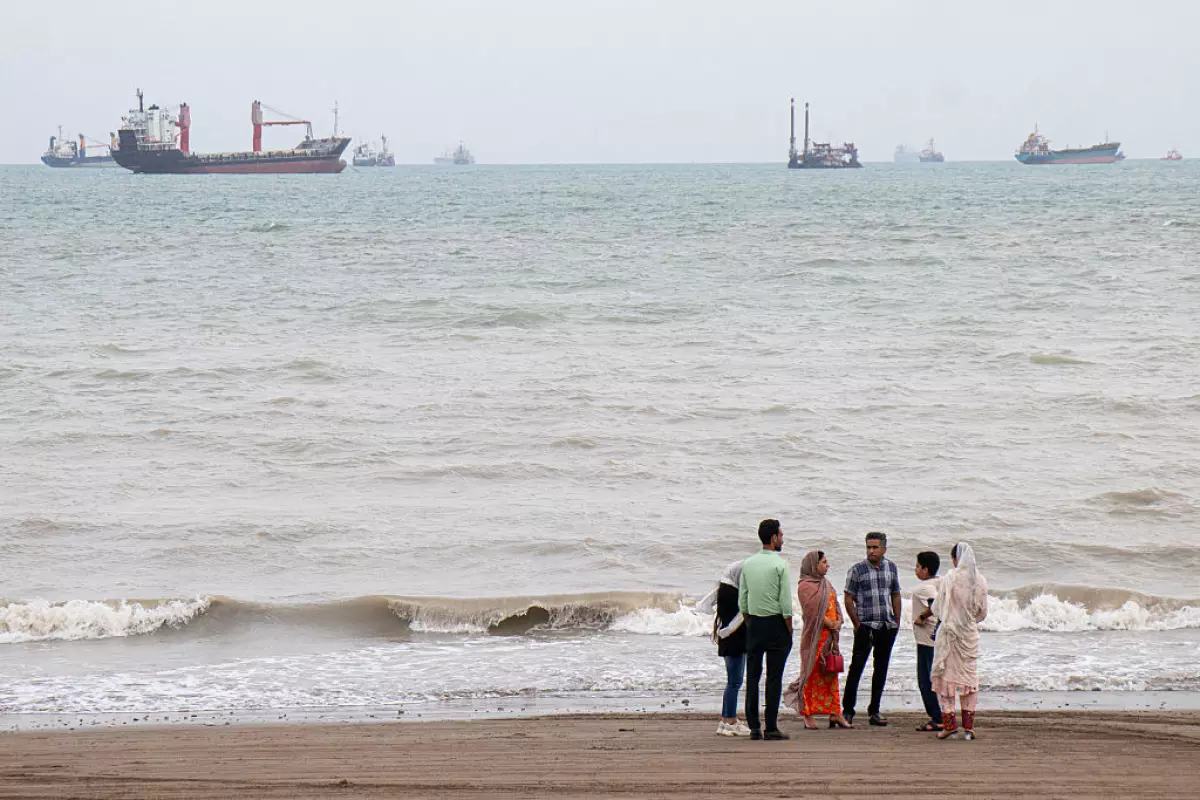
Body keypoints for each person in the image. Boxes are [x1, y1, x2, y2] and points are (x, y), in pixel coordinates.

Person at [782, 550, 853, 730]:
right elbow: (811, 612)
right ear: (814, 565)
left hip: (830, 638)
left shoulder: (826, 584)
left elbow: (834, 605)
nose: (827, 565)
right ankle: (807, 714)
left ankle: (835, 713)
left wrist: (838, 621)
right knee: (810, 674)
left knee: (831, 674)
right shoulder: (805, 586)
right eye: (824, 562)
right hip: (814, 639)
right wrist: (828, 622)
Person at [739, 519, 793, 740]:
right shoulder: (780, 564)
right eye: (780, 535)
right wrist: (788, 628)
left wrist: (749, 621)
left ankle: (753, 726)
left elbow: (743, 599)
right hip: (776, 623)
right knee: (774, 677)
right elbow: (786, 603)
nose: (782, 539)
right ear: (773, 539)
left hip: (754, 623)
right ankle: (770, 726)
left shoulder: (748, 563)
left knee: (752, 676)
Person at [841, 531, 902, 727]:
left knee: (881, 668)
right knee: (856, 668)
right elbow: (848, 597)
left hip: (886, 625)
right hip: (866, 626)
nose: (871, 551)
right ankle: (848, 710)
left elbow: (895, 594)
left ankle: (874, 710)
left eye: (875, 547)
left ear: (884, 548)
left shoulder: (891, 568)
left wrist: (897, 621)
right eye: (868, 547)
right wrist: (857, 623)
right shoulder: (857, 570)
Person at [933, 542, 989, 741]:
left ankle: (949, 726)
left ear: (955, 559)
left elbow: (938, 609)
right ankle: (969, 727)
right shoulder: (979, 580)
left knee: (945, 678)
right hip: (969, 635)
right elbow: (982, 612)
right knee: (969, 679)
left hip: (949, 634)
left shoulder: (949, 579)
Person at [696, 560, 751, 736]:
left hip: (726, 639)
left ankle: (726, 720)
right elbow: (742, 614)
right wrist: (726, 631)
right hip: (734, 639)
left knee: (732, 682)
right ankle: (729, 721)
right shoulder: (737, 595)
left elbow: (702, 606)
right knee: (735, 682)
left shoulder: (723, 591)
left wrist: (720, 627)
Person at [911, 551, 943, 732]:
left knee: (925, 679)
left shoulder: (923, 588)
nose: (915, 570)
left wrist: (922, 616)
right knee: (934, 677)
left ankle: (937, 717)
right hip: (936, 638)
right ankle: (939, 715)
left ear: (925, 569)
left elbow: (936, 603)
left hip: (927, 639)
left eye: (917, 566)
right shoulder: (942, 582)